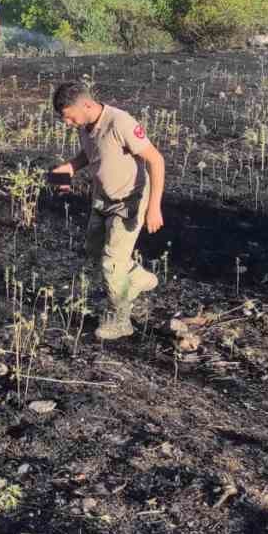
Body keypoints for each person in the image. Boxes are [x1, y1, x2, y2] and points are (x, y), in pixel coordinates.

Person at [46, 81, 166, 341]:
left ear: (87, 105)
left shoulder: (120, 122)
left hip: (129, 202)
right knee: (94, 249)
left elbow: (156, 160)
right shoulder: (85, 125)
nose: (68, 123)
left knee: (111, 265)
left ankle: (120, 320)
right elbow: (91, 155)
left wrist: (154, 207)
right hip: (102, 200)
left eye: (69, 117)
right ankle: (135, 276)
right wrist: (69, 168)